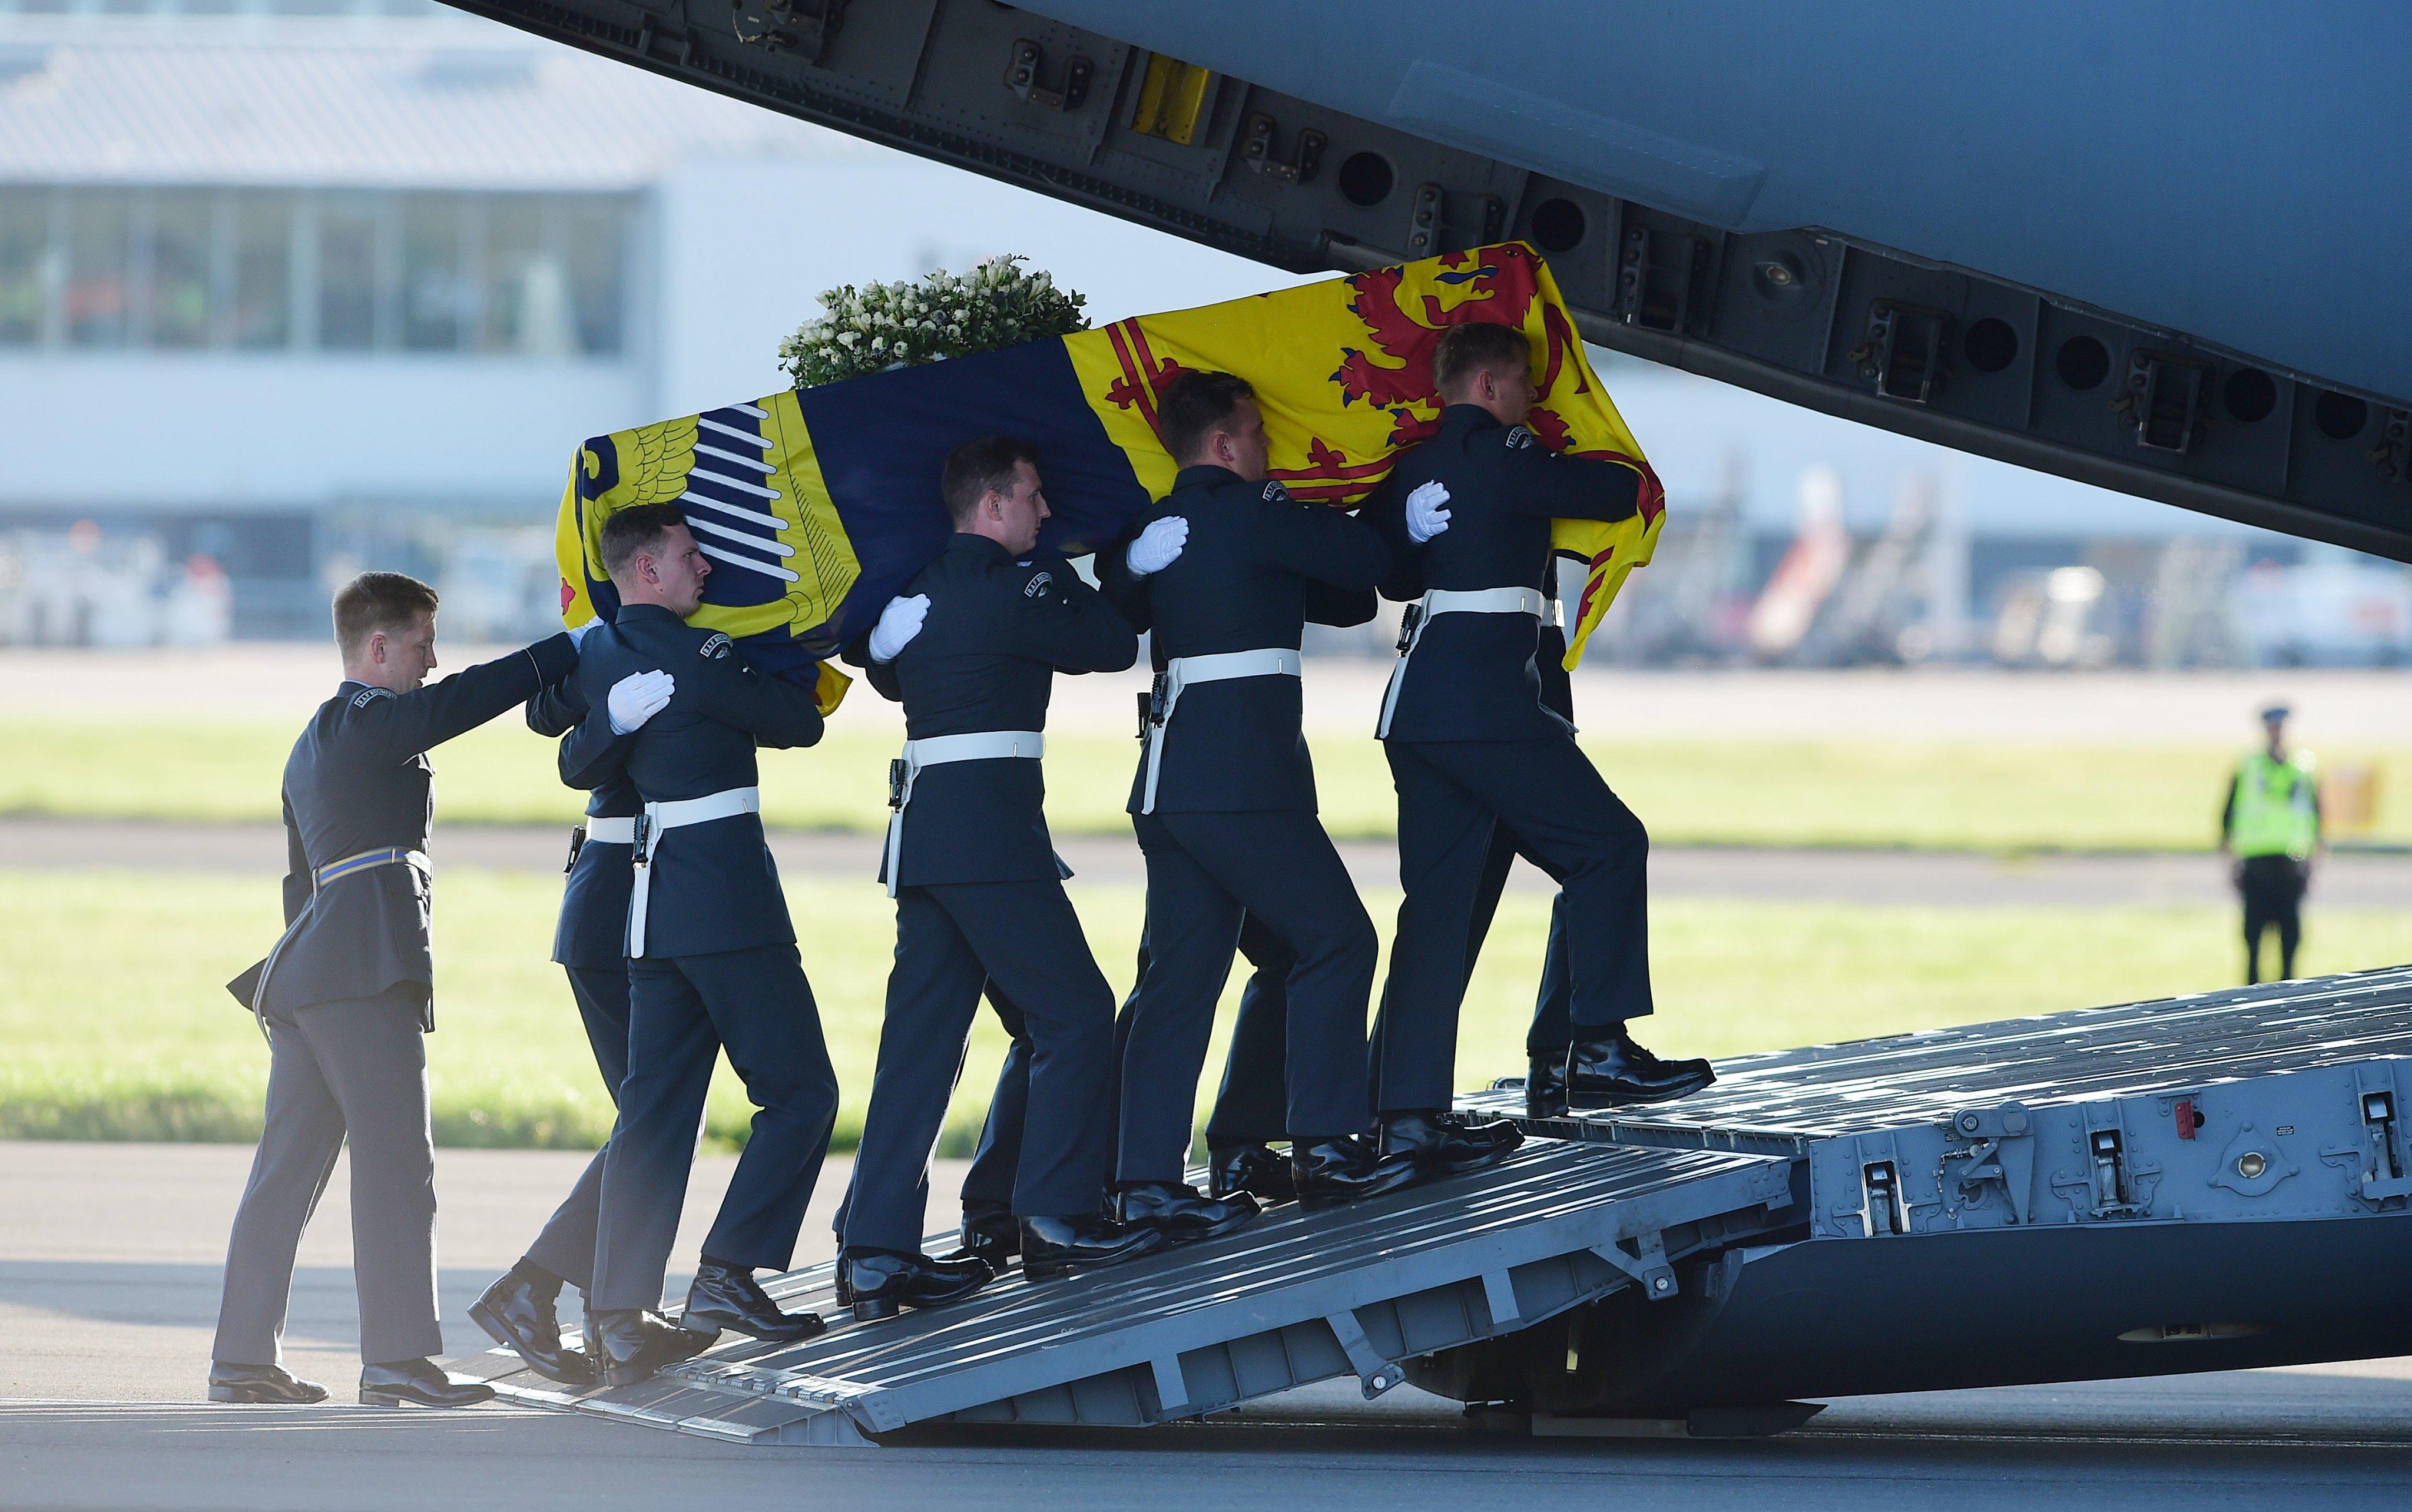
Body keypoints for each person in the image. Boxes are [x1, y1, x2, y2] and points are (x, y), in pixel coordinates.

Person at [211, 572, 581, 1408]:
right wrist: (568, 651)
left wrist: (312, 973)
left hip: (315, 972)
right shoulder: (367, 722)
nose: (432, 661)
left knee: (285, 1175)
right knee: (397, 1165)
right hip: (361, 968)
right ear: (378, 647)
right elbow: (459, 704)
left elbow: (299, 882)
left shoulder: (319, 739)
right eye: (422, 644)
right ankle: (397, 1360)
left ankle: (241, 1360)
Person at [837, 436, 1167, 1311]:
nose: (1046, 511)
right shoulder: (1015, 585)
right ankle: (1054, 1217)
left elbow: (890, 670)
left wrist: (877, 652)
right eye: (1032, 496)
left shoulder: (918, 591)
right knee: (1076, 1014)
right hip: (988, 839)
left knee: (923, 1044)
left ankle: (877, 1248)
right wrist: (1068, 569)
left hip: (930, 835)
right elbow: (1110, 644)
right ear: (992, 506)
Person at [1367, 321, 1713, 1126]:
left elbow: (1383, 573)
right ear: (1488, 386)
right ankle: (1592, 1051)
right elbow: (1616, 492)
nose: (1534, 396)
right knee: (1607, 846)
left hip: (1419, 705)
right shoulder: (1505, 454)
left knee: (1438, 913)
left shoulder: (1413, 467)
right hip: (1484, 704)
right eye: (1525, 381)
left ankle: (1400, 1112)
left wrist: (1400, 524)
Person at [1099, 369, 1423, 1209]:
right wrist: (1383, 503)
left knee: (1192, 974)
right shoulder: (1256, 512)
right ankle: (1325, 1146)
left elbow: (1343, 602)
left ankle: (1153, 1176)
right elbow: (1369, 562)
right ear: (1224, 444)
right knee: (1337, 941)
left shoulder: (1155, 529)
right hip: (1240, 782)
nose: (1270, 447)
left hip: (1172, 782)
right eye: (1259, 433)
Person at [561, 503, 841, 1387]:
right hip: (725, 906)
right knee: (802, 1092)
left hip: (650, 913)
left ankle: (618, 1317)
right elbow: (801, 722)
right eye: (690, 555)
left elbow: (569, 757)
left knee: (651, 1113)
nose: (707, 568)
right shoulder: (699, 654)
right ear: (646, 569)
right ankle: (727, 1271)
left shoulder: (599, 653)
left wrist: (609, 719)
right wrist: (770, 647)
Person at [465, 660, 678, 1384]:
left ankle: (598, 1309)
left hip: (622, 904)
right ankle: (542, 1291)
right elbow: (550, 718)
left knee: (652, 1117)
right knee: (653, 1117)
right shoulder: (617, 653)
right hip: (616, 908)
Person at [2222, 703, 2322, 984]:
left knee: (2290, 944)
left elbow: (2317, 818)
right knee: (2253, 945)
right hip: (2256, 865)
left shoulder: (2303, 767)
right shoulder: (2249, 767)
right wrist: (2230, 864)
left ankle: (2289, 1002)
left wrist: (2314, 865)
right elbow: (2227, 817)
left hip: (2292, 865)